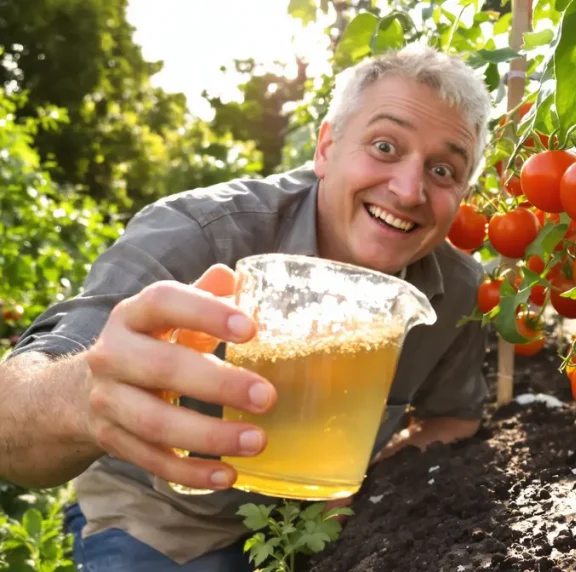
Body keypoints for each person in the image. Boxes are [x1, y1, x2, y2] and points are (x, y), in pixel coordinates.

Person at [0, 43, 494, 571]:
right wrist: (84, 394)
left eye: (443, 170)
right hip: (165, 521)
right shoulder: (200, 236)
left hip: (316, 527)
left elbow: (452, 419)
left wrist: (371, 486)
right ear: (326, 147)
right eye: (384, 146)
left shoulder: (457, 291)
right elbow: (11, 414)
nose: (409, 188)